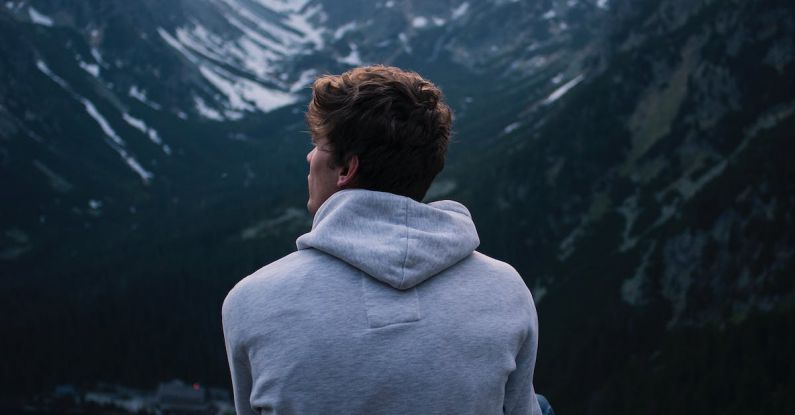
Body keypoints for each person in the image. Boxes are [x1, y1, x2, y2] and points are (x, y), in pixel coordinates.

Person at [222, 65, 547, 415]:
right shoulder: (505, 287)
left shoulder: (250, 299)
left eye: (318, 145)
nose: (309, 156)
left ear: (346, 169)